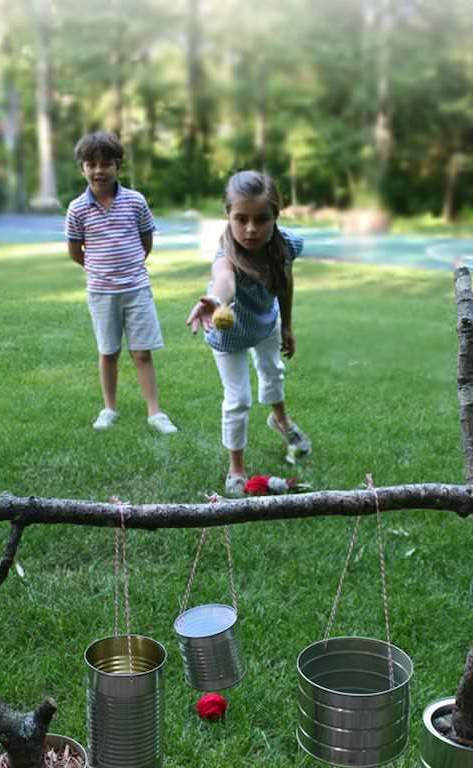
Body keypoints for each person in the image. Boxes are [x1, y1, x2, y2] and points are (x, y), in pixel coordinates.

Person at [186, 169, 311, 497]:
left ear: (275, 216)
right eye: (241, 219)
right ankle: (236, 467)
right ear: (227, 216)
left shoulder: (284, 247)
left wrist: (286, 325)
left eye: (261, 219)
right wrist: (215, 301)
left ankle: (280, 421)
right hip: (228, 336)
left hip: (265, 324)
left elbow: (285, 284)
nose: (251, 229)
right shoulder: (226, 254)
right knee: (238, 399)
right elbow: (223, 281)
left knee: (273, 372)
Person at [65, 131, 177, 433]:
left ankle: (155, 412)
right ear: (82, 168)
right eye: (91, 164)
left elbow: (145, 242)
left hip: (136, 289)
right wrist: (102, 271)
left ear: (117, 167)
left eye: (106, 164)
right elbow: (76, 252)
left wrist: (128, 269)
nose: (99, 170)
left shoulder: (135, 201)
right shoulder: (77, 209)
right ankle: (109, 409)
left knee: (142, 352)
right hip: (101, 293)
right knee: (108, 352)